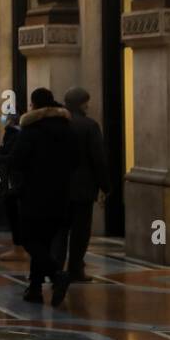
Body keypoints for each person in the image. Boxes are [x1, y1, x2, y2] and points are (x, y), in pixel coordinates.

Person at [10, 88, 80, 306]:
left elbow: (17, 160)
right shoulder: (68, 129)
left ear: (35, 105)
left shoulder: (31, 130)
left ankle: (57, 275)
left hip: (34, 193)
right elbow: (75, 161)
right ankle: (35, 288)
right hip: (60, 194)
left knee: (30, 240)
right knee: (45, 241)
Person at [63, 86, 108, 282]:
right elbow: (98, 159)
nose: (88, 105)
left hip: (60, 186)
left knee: (61, 229)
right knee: (81, 230)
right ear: (82, 103)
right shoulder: (90, 126)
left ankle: (56, 267)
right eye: (86, 102)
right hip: (83, 188)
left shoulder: (59, 124)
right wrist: (105, 186)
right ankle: (75, 268)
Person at [0, 111, 28, 262]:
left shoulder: (14, 134)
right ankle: (20, 247)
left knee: (15, 213)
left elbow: (12, 157)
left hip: (15, 180)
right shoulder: (15, 133)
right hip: (17, 179)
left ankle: (20, 248)